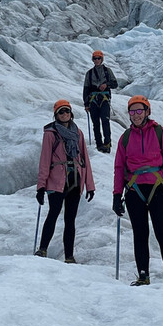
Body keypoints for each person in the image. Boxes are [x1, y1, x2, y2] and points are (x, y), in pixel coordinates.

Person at [112, 95, 163, 286]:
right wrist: (117, 195)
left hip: (157, 189)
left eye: (139, 111)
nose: (135, 115)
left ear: (147, 112)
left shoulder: (160, 132)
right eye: (132, 111)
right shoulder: (125, 138)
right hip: (134, 191)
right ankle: (143, 275)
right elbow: (119, 168)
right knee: (140, 234)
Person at [36, 99, 95, 262]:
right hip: (57, 180)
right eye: (61, 112)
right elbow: (45, 160)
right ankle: (42, 249)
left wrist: (89, 185)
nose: (64, 114)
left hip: (75, 179)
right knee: (53, 214)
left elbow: (85, 159)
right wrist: (41, 186)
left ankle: (69, 256)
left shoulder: (78, 133)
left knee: (70, 219)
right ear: (56, 114)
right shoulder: (50, 133)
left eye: (67, 111)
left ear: (71, 113)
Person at [82, 50, 118, 153]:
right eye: (95, 58)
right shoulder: (89, 74)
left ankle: (107, 143)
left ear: (101, 59)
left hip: (104, 99)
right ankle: (99, 144)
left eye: (98, 58)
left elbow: (115, 84)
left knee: (105, 121)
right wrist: (86, 104)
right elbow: (86, 89)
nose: (97, 60)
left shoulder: (107, 71)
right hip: (93, 100)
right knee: (96, 123)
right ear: (93, 60)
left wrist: (106, 85)